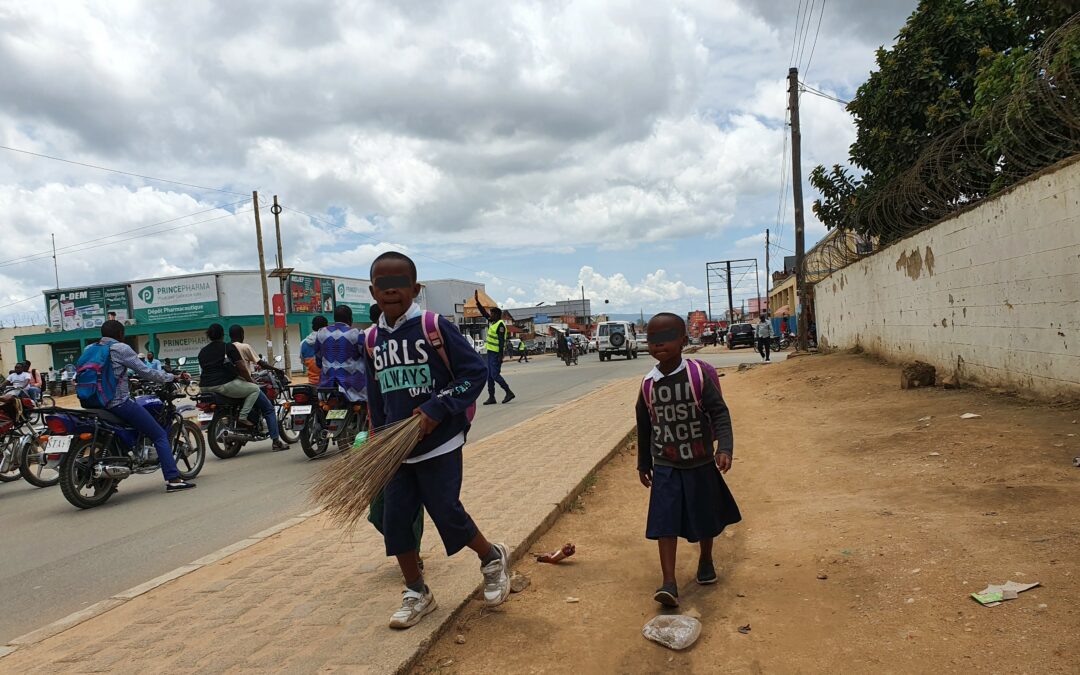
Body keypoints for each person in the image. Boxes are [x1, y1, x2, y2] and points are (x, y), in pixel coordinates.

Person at [366, 251, 510, 629]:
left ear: (415, 289)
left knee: (446, 511)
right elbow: (376, 397)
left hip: (440, 442)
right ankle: (417, 592)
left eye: (399, 283)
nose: (391, 290)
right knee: (396, 521)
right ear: (372, 291)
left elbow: (473, 373)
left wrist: (436, 407)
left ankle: (491, 558)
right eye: (383, 284)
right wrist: (377, 442)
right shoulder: (372, 339)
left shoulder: (433, 326)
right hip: (396, 451)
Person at [636, 313, 740, 607]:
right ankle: (669, 582)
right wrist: (644, 463)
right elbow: (644, 426)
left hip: (700, 461)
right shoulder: (648, 384)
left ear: (683, 341)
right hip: (666, 464)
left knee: (705, 516)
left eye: (665, 339)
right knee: (664, 521)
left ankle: (706, 560)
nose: (658, 345)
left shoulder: (697, 376)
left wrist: (724, 448)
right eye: (652, 340)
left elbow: (719, 412)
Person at [90, 320, 196, 492]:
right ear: (120, 334)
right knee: (159, 435)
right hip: (118, 403)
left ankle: (109, 482)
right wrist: (171, 377)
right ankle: (173, 479)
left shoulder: (90, 349)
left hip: (94, 403)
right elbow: (146, 372)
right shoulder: (120, 348)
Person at [198, 323, 288, 451]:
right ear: (223, 335)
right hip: (224, 385)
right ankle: (274, 440)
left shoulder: (203, 351)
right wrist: (250, 381)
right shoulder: (227, 347)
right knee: (260, 396)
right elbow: (241, 367)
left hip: (205, 387)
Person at [229, 324, 291, 451]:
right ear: (242, 334)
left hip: (231, 384)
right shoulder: (244, 347)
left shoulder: (227, 348)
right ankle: (276, 442)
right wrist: (276, 369)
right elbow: (260, 363)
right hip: (244, 383)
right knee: (269, 409)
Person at [312, 305, 366, 405]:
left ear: (334, 318)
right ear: (350, 319)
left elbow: (318, 359)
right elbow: (366, 357)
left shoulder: (321, 332)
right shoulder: (357, 333)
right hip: (354, 387)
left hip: (327, 384)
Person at [473, 290, 515, 405]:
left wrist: (501, 356)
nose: (490, 315)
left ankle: (508, 392)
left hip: (496, 354)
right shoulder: (493, 322)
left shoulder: (500, 325)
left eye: (492, 314)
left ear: (496, 315)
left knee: (495, 375)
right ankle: (492, 397)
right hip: (490, 353)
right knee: (489, 376)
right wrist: (477, 302)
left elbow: (501, 342)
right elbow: (484, 313)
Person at [300, 316, 329, 385]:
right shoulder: (330, 341)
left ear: (312, 327)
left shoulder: (303, 343)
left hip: (312, 383)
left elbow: (303, 362)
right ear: (326, 327)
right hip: (329, 383)